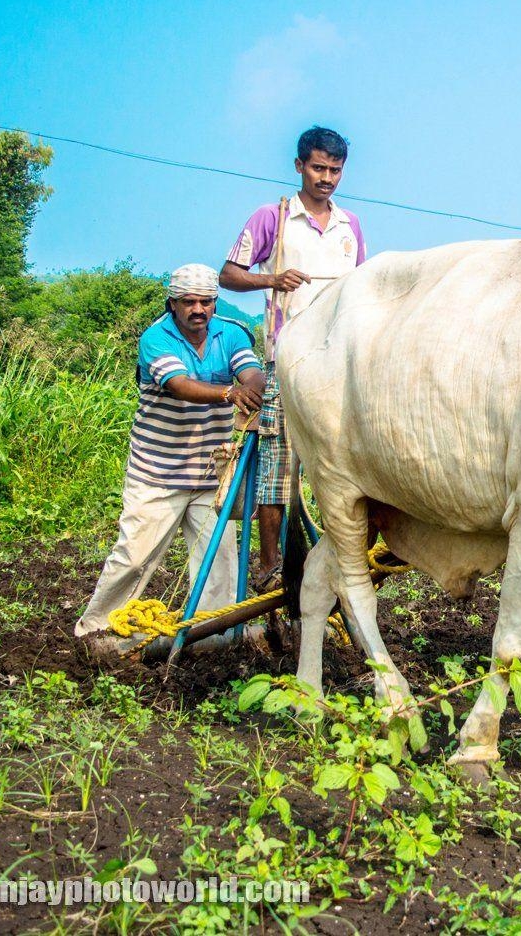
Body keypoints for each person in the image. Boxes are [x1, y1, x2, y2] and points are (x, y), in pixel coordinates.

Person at [74, 264, 266, 657]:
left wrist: (250, 387)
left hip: (211, 471)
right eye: (189, 302)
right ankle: (96, 633)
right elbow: (179, 386)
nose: (199, 309)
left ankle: (212, 636)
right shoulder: (156, 338)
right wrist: (229, 394)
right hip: (157, 470)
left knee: (220, 559)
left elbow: (252, 372)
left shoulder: (231, 333)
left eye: (206, 301)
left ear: (215, 303)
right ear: (173, 303)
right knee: (135, 555)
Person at [219, 126, 365, 577]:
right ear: (299, 165)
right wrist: (272, 279)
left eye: (335, 170)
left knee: (354, 458)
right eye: (318, 168)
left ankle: (349, 553)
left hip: (340, 360)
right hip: (289, 359)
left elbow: (361, 289)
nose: (326, 178)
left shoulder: (350, 225)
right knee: (277, 464)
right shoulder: (273, 217)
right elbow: (228, 274)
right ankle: (269, 563)